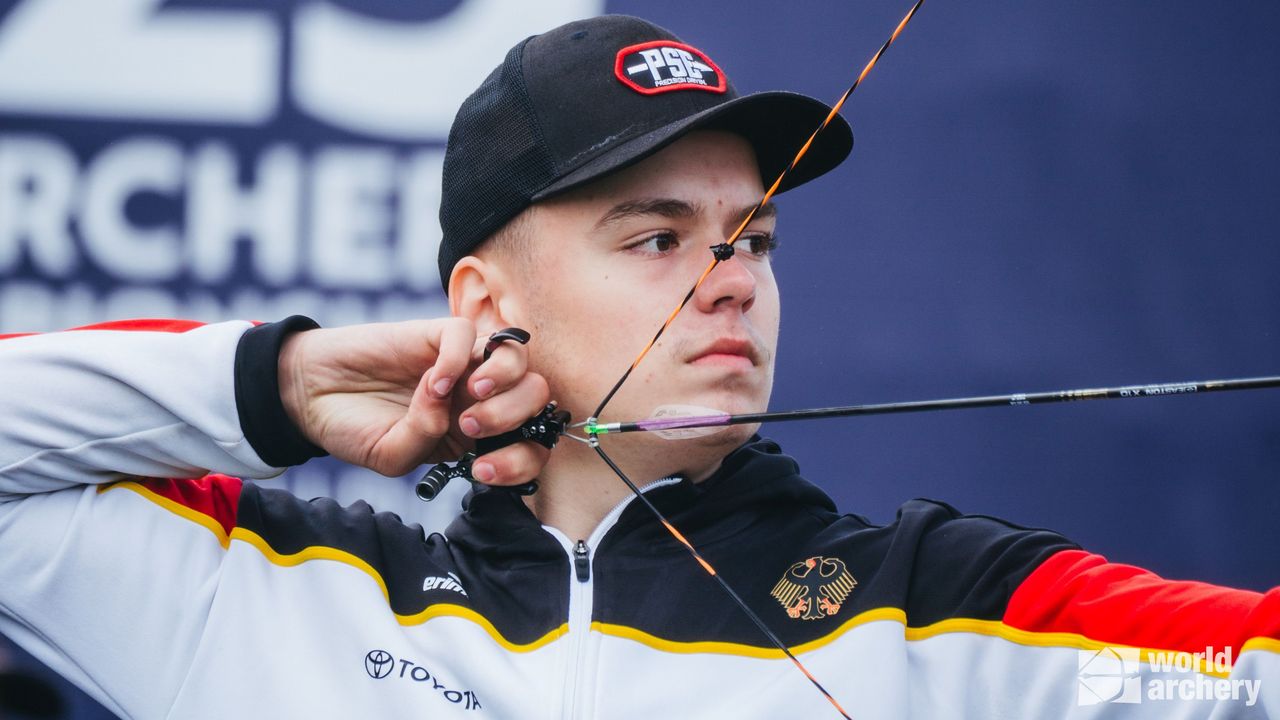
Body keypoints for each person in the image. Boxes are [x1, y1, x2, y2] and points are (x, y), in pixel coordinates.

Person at [0, 14, 1275, 719]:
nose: (729, 277)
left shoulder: (941, 615)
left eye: (752, 239)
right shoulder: (276, 593)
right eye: (655, 237)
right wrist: (276, 385)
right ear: (483, 304)